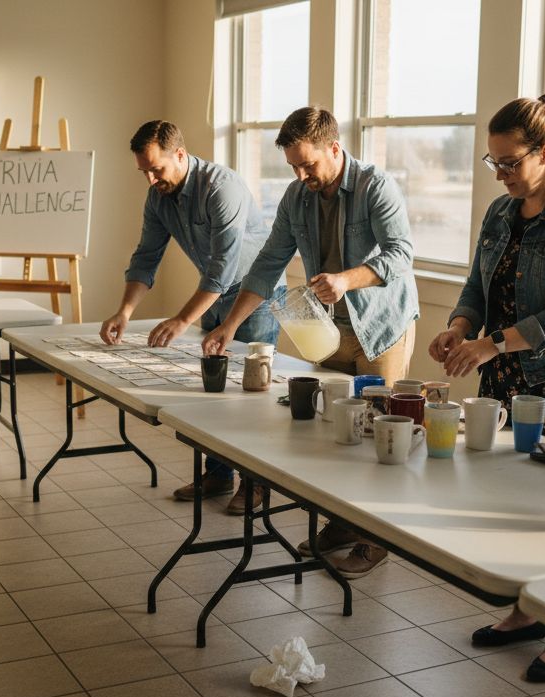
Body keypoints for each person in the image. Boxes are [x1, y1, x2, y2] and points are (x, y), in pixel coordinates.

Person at [429, 93, 545, 684]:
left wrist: (491, 343)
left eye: (511, 162)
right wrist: (459, 327)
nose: (502, 174)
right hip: (507, 373)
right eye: (494, 163)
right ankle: (527, 610)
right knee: (511, 500)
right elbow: (475, 288)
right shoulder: (500, 214)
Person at [202, 106, 420, 578]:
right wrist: (228, 326)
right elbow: (267, 263)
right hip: (331, 330)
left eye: (309, 165)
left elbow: (401, 255)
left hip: (382, 327)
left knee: (378, 435)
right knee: (337, 434)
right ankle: (343, 526)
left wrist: (346, 279)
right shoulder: (297, 197)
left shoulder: (375, 187)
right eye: (294, 167)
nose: (302, 176)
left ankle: (375, 539)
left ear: (334, 148)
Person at [102, 120, 284, 513]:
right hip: (214, 297)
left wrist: (181, 321)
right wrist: (125, 311)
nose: (151, 179)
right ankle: (220, 474)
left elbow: (223, 266)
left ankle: (257, 486)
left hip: (255, 297)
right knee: (213, 392)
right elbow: (146, 256)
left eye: (157, 169)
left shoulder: (222, 188)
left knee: (250, 394)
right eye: (144, 172)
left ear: (180, 155)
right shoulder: (158, 197)